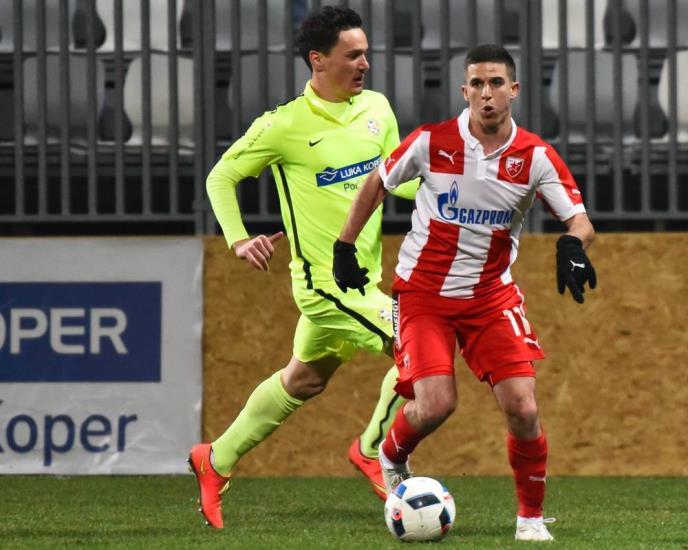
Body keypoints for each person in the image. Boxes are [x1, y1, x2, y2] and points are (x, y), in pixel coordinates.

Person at [333, 43, 596, 542]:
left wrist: (572, 244)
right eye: (477, 83)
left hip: (490, 297)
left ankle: (530, 520)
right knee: (435, 404)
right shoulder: (430, 142)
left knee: (523, 407)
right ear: (464, 91)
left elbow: (580, 221)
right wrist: (344, 246)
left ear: (514, 90)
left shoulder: (535, 156)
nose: (486, 93)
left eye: (496, 83)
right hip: (423, 295)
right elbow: (377, 182)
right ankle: (389, 454)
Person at [188, 6, 418, 529]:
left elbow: (396, 180)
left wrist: (448, 187)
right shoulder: (284, 125)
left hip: (363, 280)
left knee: (304, 380)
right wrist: (238, 239)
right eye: (352, 55)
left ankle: (214, 458)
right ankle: (372, 449)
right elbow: (220, 177)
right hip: (323, 287)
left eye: (365, 53)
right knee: (419, 348)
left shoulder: (377, 108)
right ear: (318, 60)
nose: (365, 64)